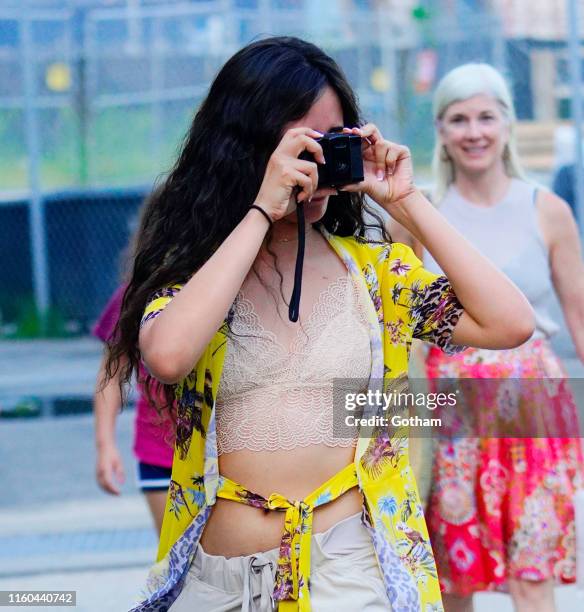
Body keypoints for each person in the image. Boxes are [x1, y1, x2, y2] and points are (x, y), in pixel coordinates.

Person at [106, 38, 534, 612]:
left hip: (353, 572)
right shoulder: (191, 273)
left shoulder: (375, 274)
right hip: (225, 581)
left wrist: (407, 203)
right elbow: (169, 355)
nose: (315, 162)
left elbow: (509, 322)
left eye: (331, 141)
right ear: (245, 148)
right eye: (297, 144)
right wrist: (262, 209)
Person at [422, 63, 584, 612]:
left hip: (534, 412)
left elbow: (580, 320)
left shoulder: (549, 211)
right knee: (453, 575)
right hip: (450, 412)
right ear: (441, 131)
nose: (474, 132)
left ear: (507, 124)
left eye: (486, 116)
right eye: (458, 119)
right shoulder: (419, 216)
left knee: (532, 570)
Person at [93, 284, 174, 534]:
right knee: (176, 560)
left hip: (236, 453)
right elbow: (111, 376)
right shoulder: (138, 290)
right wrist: (105, 445)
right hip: (162, 452)